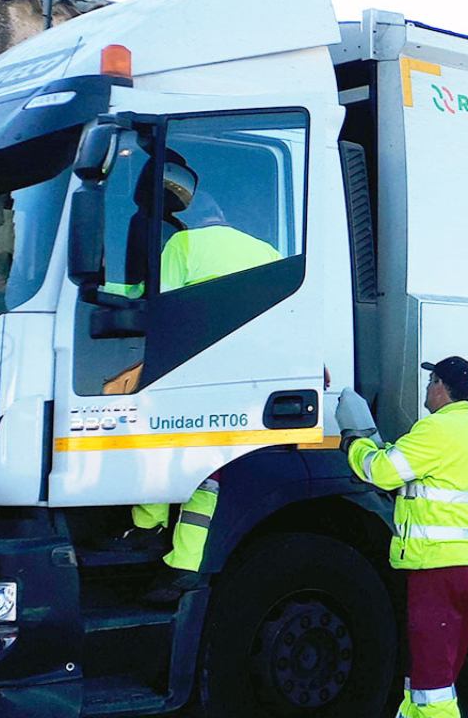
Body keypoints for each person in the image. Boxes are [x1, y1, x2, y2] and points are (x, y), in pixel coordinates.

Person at [109, 153, 281, 603]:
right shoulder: (265, 251)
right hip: (245, 382)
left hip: (189, 369)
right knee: (210, 473)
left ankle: (149, 529)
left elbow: (156, 305)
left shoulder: (183, 246)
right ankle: (186, 563)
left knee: (152, 445)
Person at [343, 356, 468, 718]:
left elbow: (381, 471)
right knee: (432, 676)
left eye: (430, 382)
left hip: (437, 569)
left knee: (433, 688)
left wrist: (353, 444)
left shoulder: (436, 430)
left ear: (441, 386)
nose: (426, 388)